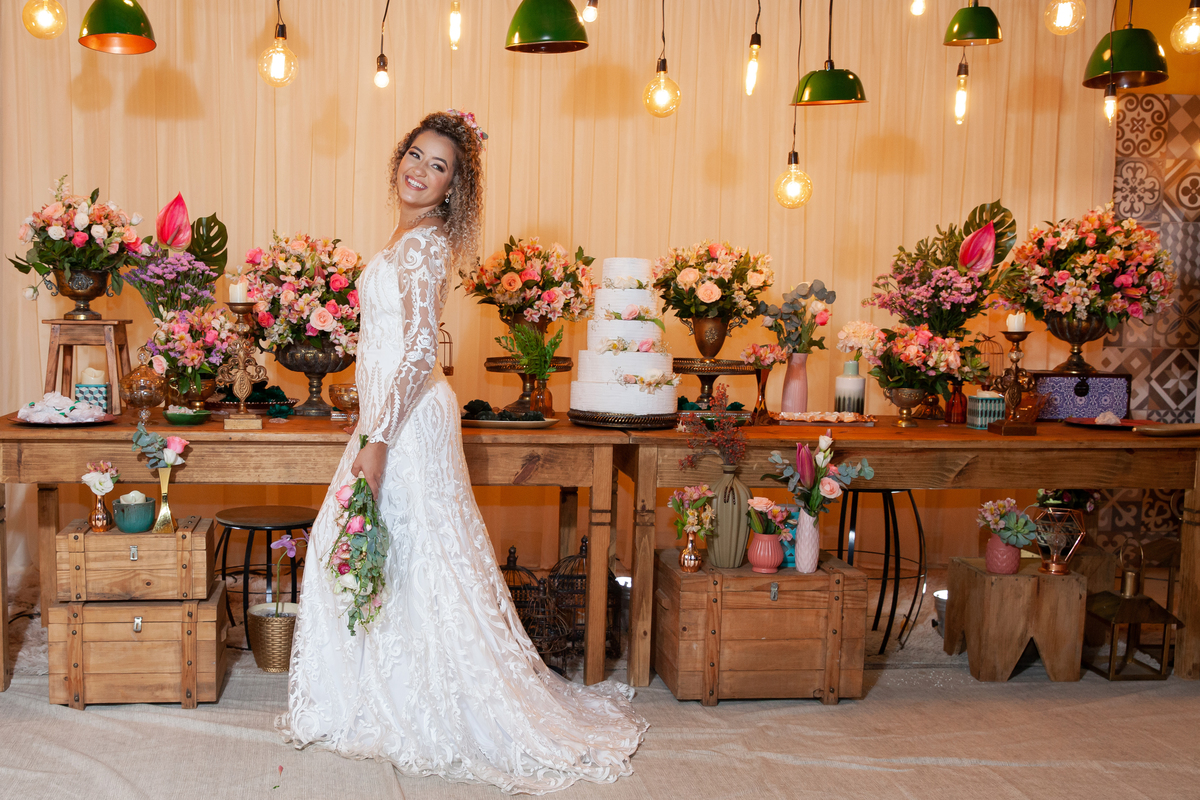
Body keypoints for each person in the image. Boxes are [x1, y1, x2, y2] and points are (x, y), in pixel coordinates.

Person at [277, 110, 647, 794]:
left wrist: (380, 437)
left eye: (438, 165)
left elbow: (419, 350)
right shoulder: (408, 236)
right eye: (415, 155)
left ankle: (425, 703)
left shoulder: (423, 246)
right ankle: (383, 690)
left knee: (407, 551)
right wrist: (368, 425)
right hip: (392, 416)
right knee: (388, 551)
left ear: (453, 187)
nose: (419, 170)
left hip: (408, 421)